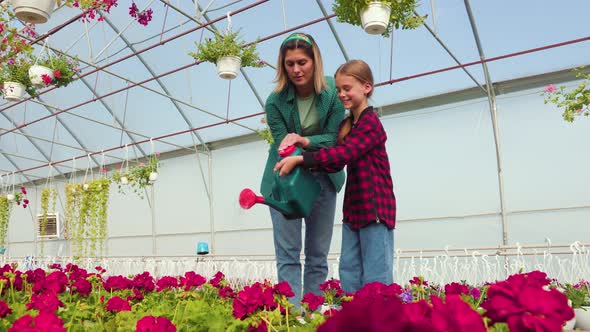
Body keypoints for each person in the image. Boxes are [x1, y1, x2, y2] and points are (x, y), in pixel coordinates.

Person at [274, 59, 396, 293]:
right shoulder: (348, 125)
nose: (341, 94)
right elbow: (332, 163)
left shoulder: (371, 124)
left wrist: (301, 159)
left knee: (376, 276)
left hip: (375, 210)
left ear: (366, 87)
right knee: (349, 271)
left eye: (347, 88)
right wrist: (299, 158)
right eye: (339, 89)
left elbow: (342, 155)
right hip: (353, 211)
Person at [261, 32, 346, 306]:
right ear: (282, 66)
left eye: (302, 62)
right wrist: (299, 145)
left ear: (315, 61)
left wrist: (303, 139)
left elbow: (333, 140)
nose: (296, 70)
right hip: (286, 178)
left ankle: (312, 313)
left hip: (323, 177)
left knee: (317, 255)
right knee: (287, 252)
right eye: (289, 64)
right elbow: (282, 144)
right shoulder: (275, 102)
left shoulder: (333, 93)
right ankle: (291, 316)